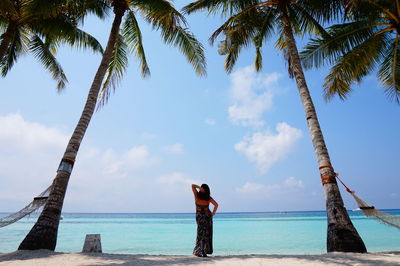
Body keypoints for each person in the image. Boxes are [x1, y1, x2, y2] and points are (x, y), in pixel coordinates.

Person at [191, 183, 218, 257]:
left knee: (201, 234)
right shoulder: (207, 197)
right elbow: (216, 205)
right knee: (205, 234)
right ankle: (202, 251)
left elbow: (193, 186)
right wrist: (212, 213)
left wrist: (200, 188)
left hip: (200, 217)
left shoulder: (197, 196)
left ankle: (200, 251)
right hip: (206, 217)